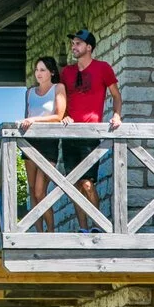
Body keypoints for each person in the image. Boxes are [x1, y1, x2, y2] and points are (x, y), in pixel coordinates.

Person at [59, 28, 123, 231]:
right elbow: (59, 100)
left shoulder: (102, 68)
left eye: (78, 43)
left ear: (89, 47)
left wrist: (116, 115)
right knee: (74, 184)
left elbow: (116, 95)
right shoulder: (66, 72)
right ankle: (83, 228)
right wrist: (63, 116)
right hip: (69, 133)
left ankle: (98, 225)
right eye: (73, 44)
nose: (74, 47)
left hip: (90, 133)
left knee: (87, 183)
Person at [19, 55, 66, 233]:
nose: (38, 73)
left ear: (51, 72)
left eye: (43, 70)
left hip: (48, 142)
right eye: (37, 70)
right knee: (31, 189)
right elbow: (26, 115)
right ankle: (38, 231)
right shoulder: (30, 92)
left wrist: (34, 120)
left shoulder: (58, 88)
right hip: (30, 142)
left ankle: (51, 230)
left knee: (40, 190)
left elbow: (58, 116)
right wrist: (27, 121)